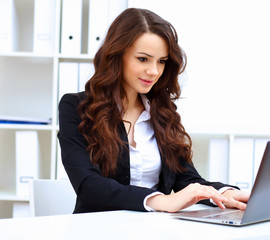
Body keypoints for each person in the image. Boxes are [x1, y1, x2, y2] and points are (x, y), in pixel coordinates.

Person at [58, 8, 249, 213]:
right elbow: (89, 186)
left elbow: (187, 180)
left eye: (161, 61)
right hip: (100, 228)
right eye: (143, 59)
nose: (154, 71)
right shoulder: (77, 107)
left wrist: (226, 194)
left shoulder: (162, 111)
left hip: (154, 229)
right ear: (116, 55)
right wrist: (161, 201)